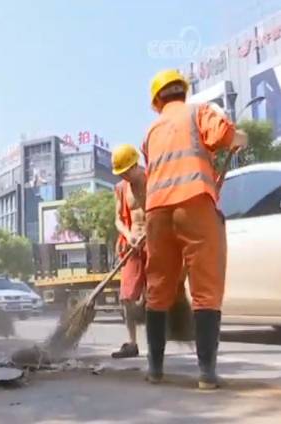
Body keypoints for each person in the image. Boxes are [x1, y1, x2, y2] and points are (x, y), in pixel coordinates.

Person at [142, 69, 248, 389]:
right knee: (206, 285)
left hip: (157, 212)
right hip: (194, 205)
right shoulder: (197, 112)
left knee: (158, 288)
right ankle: (206, 374)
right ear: (183, 92)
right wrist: (240, 138)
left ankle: (156, 370)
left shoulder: (150, 131)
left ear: (157, 100)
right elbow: (223, 136)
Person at [110, 144, 147, 359]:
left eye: (126, 171)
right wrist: (128, 234)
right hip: (133, 245)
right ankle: (132, 343)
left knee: (156, 295)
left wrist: (150, 231)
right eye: (121, 173)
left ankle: (157, 339)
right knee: (126, 296)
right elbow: (117, 219)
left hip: (154, 242)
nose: (124, 176)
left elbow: (162, 210)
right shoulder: (121, 188)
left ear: (135, 164)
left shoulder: (153, 179)